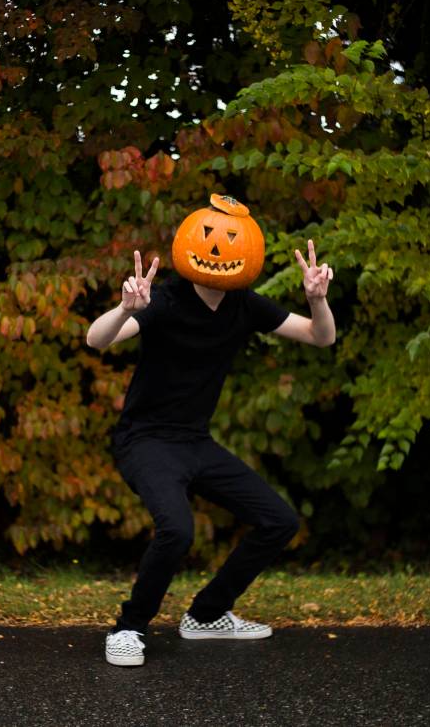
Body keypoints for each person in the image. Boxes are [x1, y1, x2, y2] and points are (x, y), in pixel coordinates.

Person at [86, 195, 335, 667]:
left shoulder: (244, 305)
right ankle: (128, 628)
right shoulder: (164, 301)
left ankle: (206, 615)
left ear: (250, 254)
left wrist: (317, 301)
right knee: (177, 530)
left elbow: (321, 337)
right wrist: (123, 309)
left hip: (195, 443)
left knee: (279, 521)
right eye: (208, 238)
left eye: (230, 241)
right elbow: (96, 340)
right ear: (189, 243)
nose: (218, 249)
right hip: (145, 441)